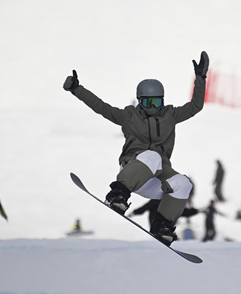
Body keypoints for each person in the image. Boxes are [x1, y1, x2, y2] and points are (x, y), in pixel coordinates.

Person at [63, 51, 209, 245]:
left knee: (184, 183)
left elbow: (195, 106)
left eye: (156, 101)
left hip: (155, 179)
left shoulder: (170, 115)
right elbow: (101, 107)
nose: (152, 106)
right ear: (139, 100)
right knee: (152, 156)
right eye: (148, 102)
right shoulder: (129, 116)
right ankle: (118, 195)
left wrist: (200, 79)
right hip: (133, 171)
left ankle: (162, 226)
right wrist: (76, 89)